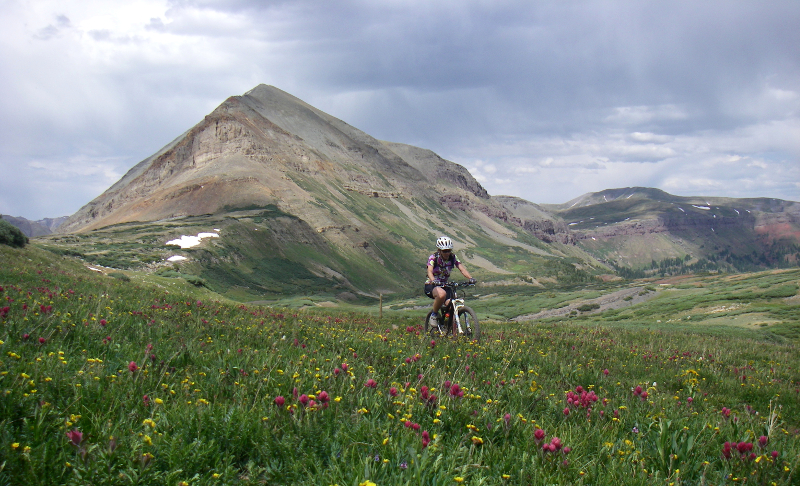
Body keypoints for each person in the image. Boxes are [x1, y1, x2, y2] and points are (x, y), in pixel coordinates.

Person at [424, 236, 475, 328]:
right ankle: (434, 315)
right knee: (441, 294)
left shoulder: (453, 257)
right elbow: (429, 271)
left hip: (445, 285)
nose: (447, 253)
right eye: (445, 251)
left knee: (452, 306)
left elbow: (462, 269)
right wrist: (433, 280)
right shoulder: (433, 258)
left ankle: (448, 327)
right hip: (431, 285)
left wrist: (470, 278)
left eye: (449, 250)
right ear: (439, 250)